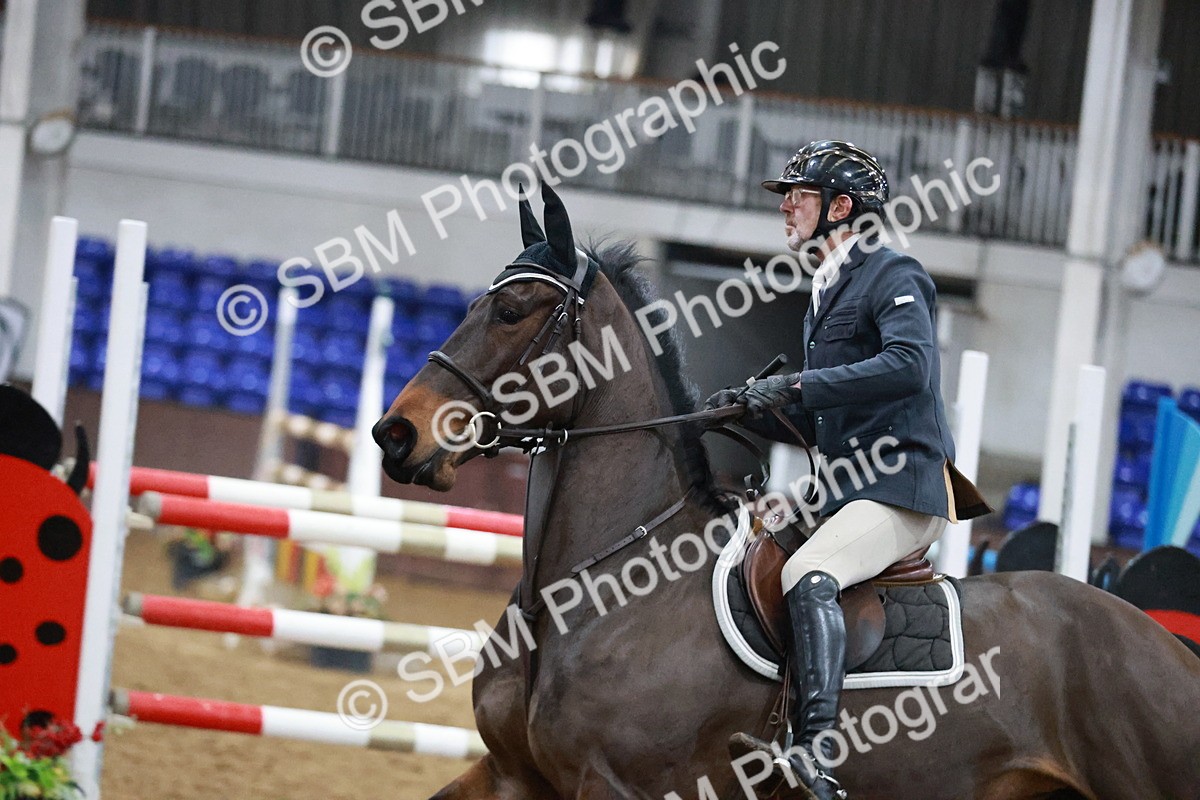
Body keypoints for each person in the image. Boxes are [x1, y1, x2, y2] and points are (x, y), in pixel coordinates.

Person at [705, 140, 989, 800]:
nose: (786, 208)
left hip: (903, 489)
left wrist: (799, 385)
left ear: (841, 207)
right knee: (749, 560)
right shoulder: (825, 292)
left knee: (809, 574)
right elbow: (828, 415)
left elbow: (911, 367)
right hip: (845, 490)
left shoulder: (895, 276)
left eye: (798, 197)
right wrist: (751, 408)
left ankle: (813, 755)